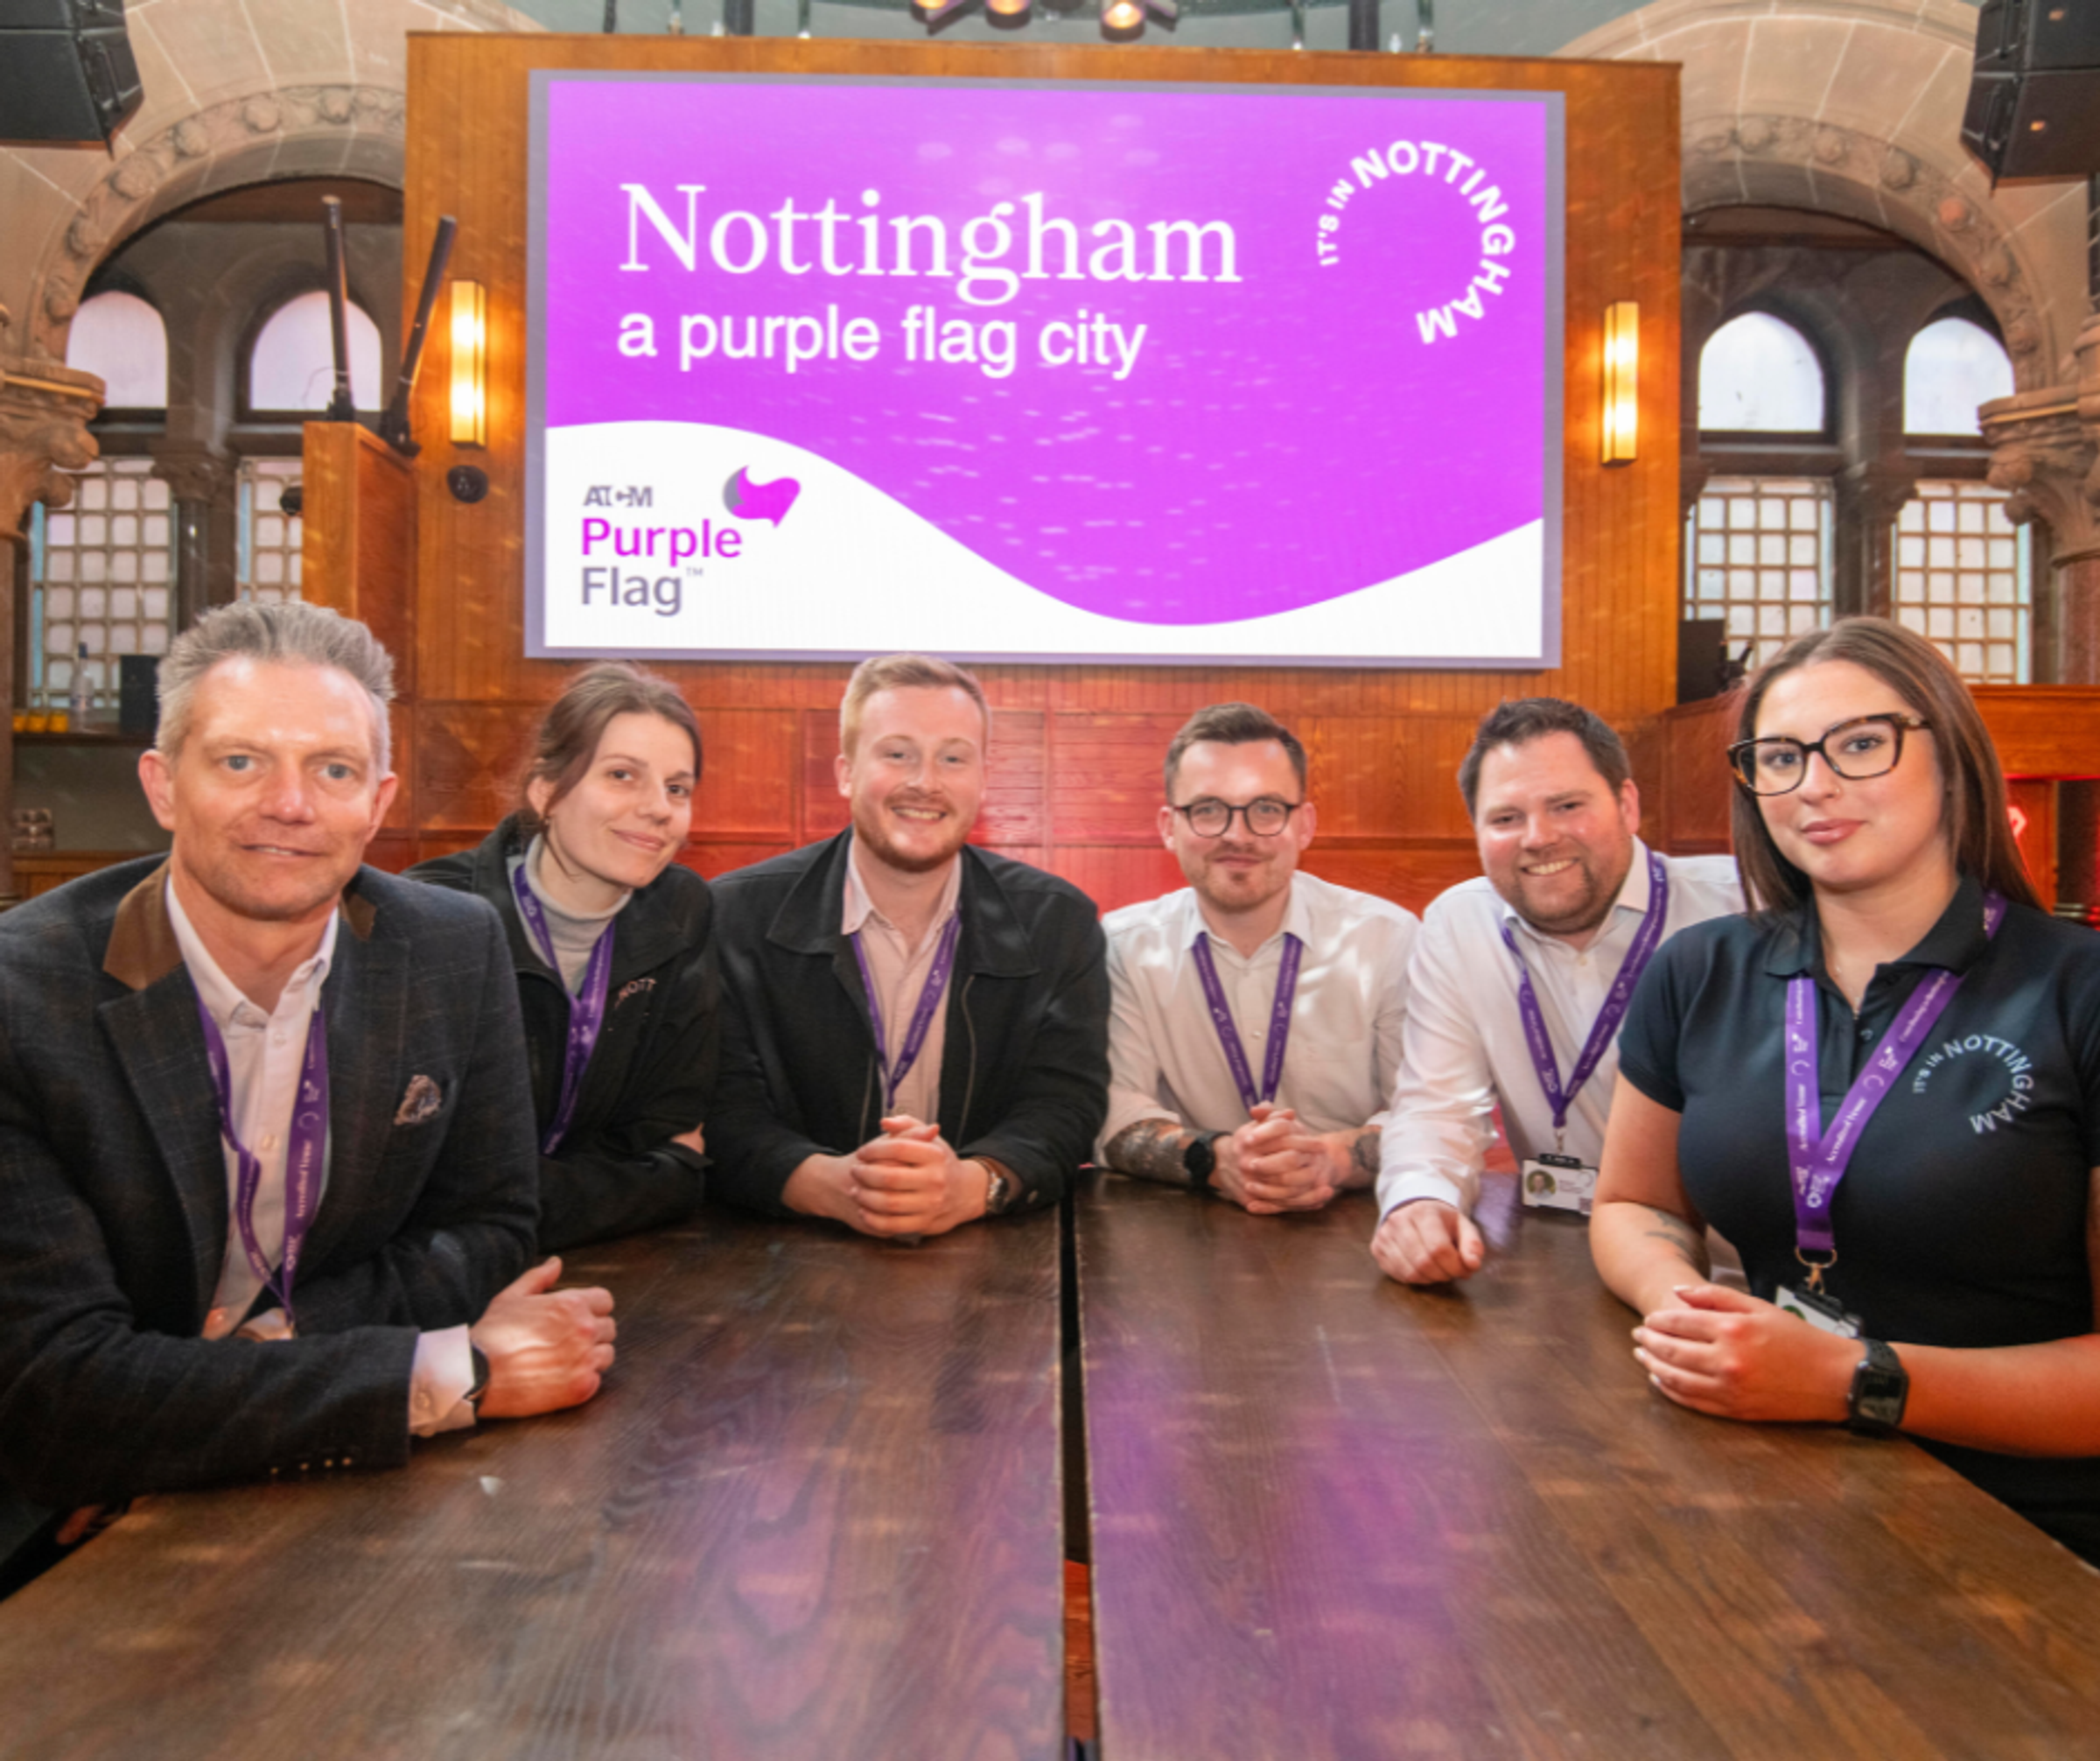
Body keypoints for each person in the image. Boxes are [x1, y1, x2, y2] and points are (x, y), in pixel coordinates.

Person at [0, 601, 613, 1590]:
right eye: (241, 761)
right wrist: (452, 1368)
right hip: (55, 1529)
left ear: (377, 801)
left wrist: (274, 1341)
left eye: (331, 769)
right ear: (163, 785)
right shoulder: (24, 999)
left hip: (311, 1496)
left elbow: (495, 1224)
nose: (290, 803)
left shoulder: (452, 949)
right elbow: (58, 1399)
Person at [1592, 617, 2100, 1562]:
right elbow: (1632, 1200)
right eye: (1779, 757)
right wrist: (1683, 1306)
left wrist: (1852, 1376)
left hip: (2030, 1535)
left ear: (1949, 755)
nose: (1815, 786)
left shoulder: (2076, 989)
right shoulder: (1698, 969)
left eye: (1861, 743)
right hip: (1775, 1486)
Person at [707, 653, 1109, 1237]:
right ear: (845, 772)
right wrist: (837, 1186)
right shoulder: (734, 916)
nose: (925, 781)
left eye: (953, 757)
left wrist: (973, 1185)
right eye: (897, 754)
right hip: (781, 1248)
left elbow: (1064, 1105)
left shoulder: (1057, 922)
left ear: (983, 780)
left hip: (995, 1257)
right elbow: (722, 1110)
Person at [1372, 698, 1742, 1284]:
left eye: (1567, 806)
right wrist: (1420, 1199)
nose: (1538, 838)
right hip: (1565, 1265)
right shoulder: (1461, 924)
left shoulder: (1741, 909)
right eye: (1505, 818)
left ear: (1627, 804)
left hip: (1744, 1278)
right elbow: (1437, 1105)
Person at [408, 663, 715, 1250]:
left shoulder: (682, 908)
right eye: (623, 775)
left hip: (614, 1264)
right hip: (438, 1283)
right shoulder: (434, 915)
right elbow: (438, 1185)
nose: (659, 808)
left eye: (677, 788)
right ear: (546, 791)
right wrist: (654, 1182)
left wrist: (664, 1171)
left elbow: (668, 1124)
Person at [1096, 702, 1417, 1210]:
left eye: (1266, 808)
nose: (1237, 835)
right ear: (1168, 826)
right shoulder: (1122, 945)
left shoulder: (1386, 939)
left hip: (1360, 1224)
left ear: (1305, 824)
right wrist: (1218, 1159)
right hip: (1182, 1229)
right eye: (1207, 809)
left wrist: (1329, 1159)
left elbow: (1429, 1112)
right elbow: (1112, 1112)